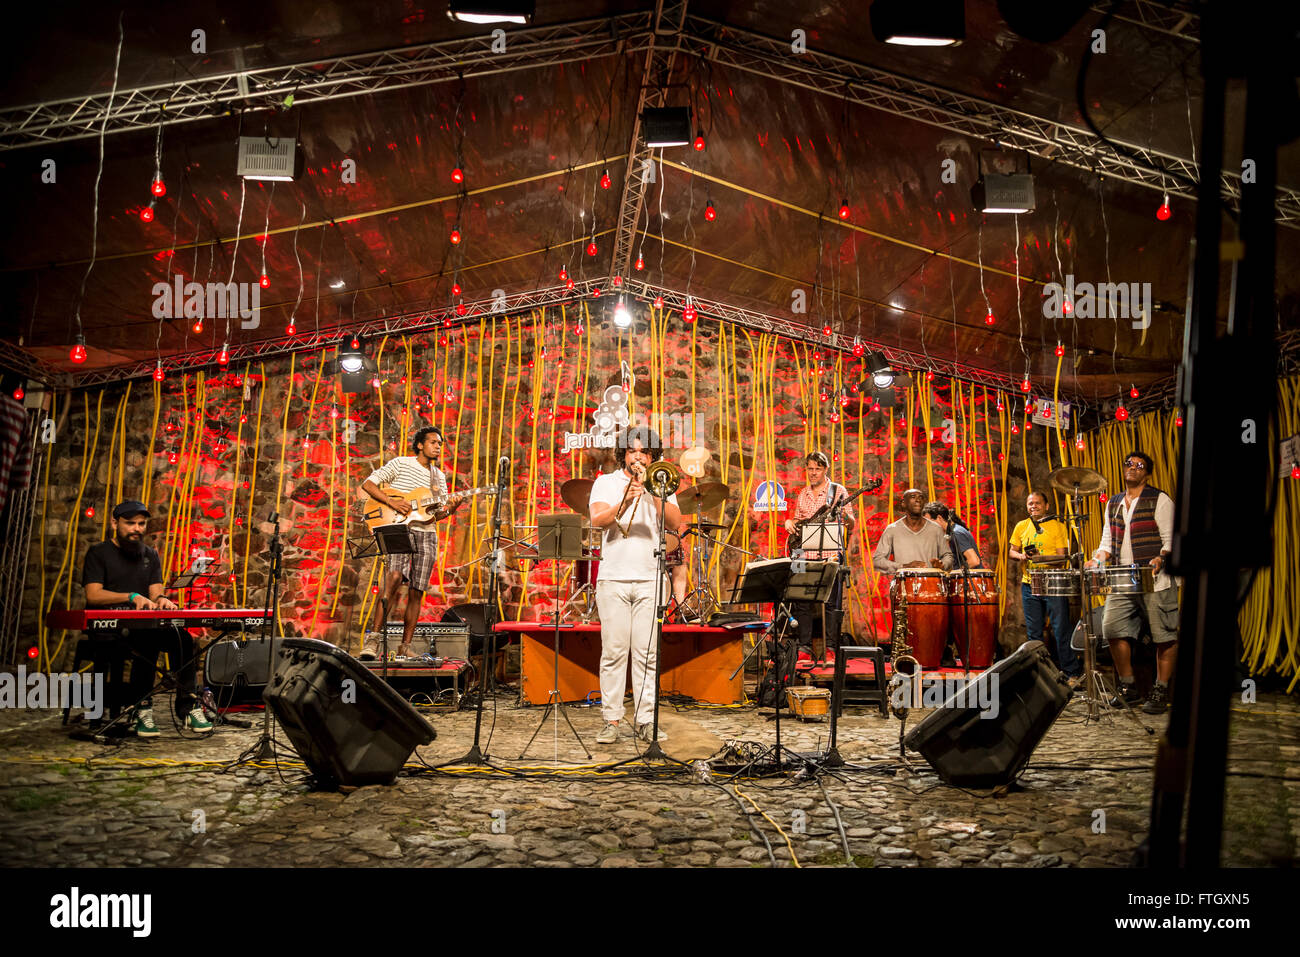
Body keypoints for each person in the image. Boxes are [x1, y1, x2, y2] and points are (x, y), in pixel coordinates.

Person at [81, 500, 213, 737]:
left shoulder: (150, 555)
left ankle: (189, 706)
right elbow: (93, 595)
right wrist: (131, 596)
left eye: (141, 524)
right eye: (130, 523)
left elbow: (155, 593)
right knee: (147, 640)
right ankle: (142, 707)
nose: (137, 529)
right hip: (111, 627)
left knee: (182, 639)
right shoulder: (99, 553)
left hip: (144, 625)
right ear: (114, 523)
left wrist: (162, 600)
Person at [587, 426, 682, 745]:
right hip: (613, 577)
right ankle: (611, 719)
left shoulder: (664, 483)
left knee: (646, 653)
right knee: (614, 651)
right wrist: (626, 499)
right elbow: (597, 521)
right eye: (632, 451)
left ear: (652, 456)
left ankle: (645, 720)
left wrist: (653, 491)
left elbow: (674, 523)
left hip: (650, 578)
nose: (638, 456)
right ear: (623, 455)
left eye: (644, 452)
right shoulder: (606, 482)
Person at [361, 426, 464, 659]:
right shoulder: (401, 464)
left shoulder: (438, 477)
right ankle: (373, 641)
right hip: (398, 527)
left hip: (427, 533)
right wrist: (393, 502)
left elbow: (436, 514)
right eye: (433, 442)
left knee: (417, 591)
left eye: (440, 443)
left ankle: (405, 647)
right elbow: (368, 484)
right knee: (394, 577)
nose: (438, 446)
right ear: (420, 444)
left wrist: (453, 507)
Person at [1086, 451, 1177, 714]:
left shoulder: (1159, 499)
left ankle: (1160, 689)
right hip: (1122, 579)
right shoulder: (1113, 502)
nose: (1133, 468)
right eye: (1129, 464)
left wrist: (1160, 559)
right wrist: (1098, 559)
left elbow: (1171, 540)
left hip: (1156, 580)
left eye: (1140, 465)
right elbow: (1106, 542)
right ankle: (1129, 687)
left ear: (1147, 473)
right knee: (1112, 628)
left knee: (1164, 637)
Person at [783, 451, 857, 660]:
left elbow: (850, 523)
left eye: (817, 469)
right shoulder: (803, 493)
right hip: (803, 553)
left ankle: (831, 648)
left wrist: (846, 517)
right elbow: (799, 521)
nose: (813, 473)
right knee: (801, 600)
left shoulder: (838, 491)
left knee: (831, 603)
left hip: (831, 554)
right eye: (810, 469)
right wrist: (790, 522)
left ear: (825, 470)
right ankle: (804, 648)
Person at [1009, 490, 1080, 683]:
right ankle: (1039, 673)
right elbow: (1012, 551)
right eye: (1030, 503)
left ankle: (1071, 672)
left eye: (1037, 503)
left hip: (1053, 583)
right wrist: (1022, 556)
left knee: (1061, 629)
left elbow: (1061, 557)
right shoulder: (1021, 526)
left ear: (1046, 506)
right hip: (1029, 583)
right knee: (1034, 633)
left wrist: (1041, 558)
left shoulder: (1057, 526)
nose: (1033, 506)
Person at [872, 488, 951, 575]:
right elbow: (877, 561)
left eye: (921, 497)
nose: (918, 500)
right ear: (903, 503)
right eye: (913, 497)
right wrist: (903, 566)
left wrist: (942, 565)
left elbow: (947, 555)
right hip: (904, 585)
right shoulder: (892, 529)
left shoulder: (936, 529)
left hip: (932, 584)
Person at [921, 502, 982, 568]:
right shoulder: (951, 532)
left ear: (939, 518)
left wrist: (955, 575)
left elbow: (974, 561)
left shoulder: (957, 533)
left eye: (929, 522)